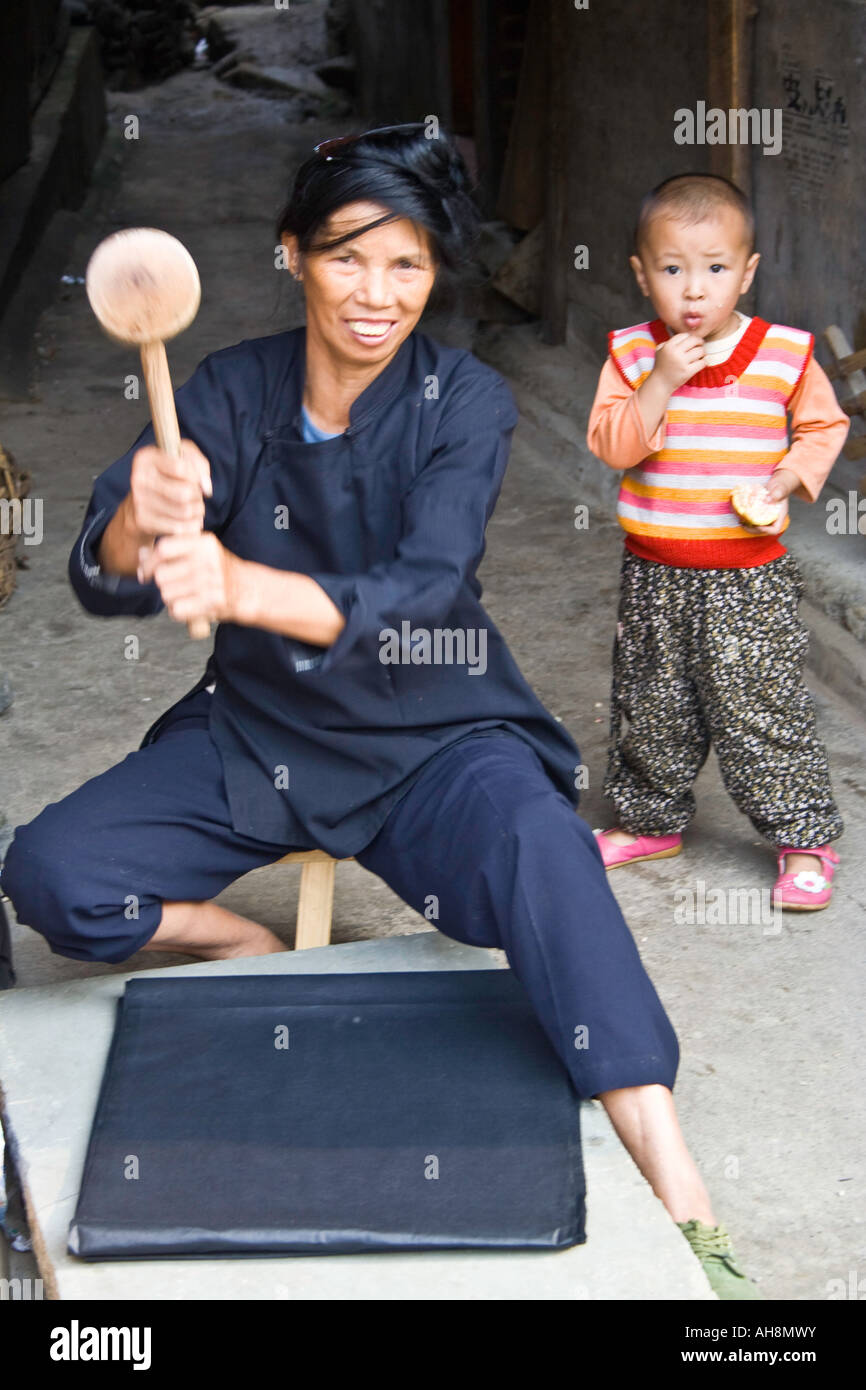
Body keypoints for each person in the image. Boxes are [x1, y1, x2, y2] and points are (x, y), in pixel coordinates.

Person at [2, 129, 757, 1296]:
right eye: (348, 258)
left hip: (434, 733)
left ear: (433, 279)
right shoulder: (224, 389)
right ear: (292, 253)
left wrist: (245, 584)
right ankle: (234, 944)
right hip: (259, 731)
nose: (376, 294)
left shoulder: (466, 402)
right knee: (52, 870)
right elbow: (101, 576)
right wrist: (135, 521)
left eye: (406, 268)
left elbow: (424, 591)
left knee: (542, 849)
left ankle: (673, 1172)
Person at [588, 173, 848, 911]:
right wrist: (659, 385)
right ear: (642, 276)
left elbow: (826, 426)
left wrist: (788, 479)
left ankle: (802, 838)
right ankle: (650, 819)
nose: (693, 291)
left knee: (758, 704)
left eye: (715, 269)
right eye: (672, 270)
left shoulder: (785, 353)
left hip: (746, 574)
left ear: (748, 271)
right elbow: (614, 444)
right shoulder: (634, 355)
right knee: (651, 701)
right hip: (654, 571)